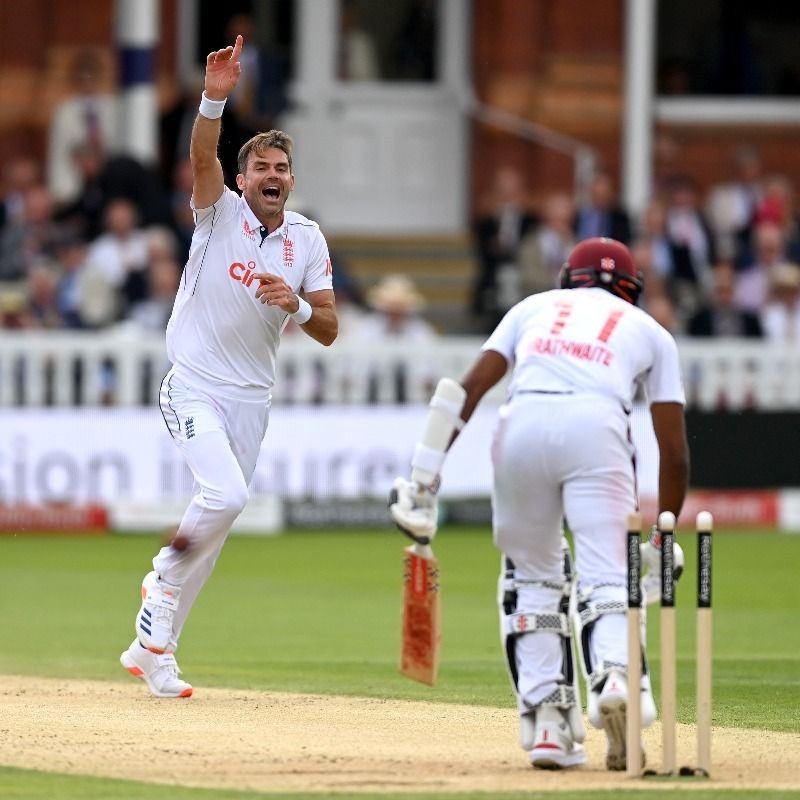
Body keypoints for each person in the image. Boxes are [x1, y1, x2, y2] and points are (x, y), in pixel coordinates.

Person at [390, 237, 689, 771]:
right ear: (630, 288)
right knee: (608, 570)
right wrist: (664, 535)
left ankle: (548, 723)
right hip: (597, 425)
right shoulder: (651, 332)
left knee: (532, 578)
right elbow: (674, 450)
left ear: (567, 280)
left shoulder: (532, 308)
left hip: (521, 421)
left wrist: (423, 478)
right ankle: (616, 675)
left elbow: (468, 388)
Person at [119, 34, 338, 698]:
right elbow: (200, 154)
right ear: (244, 180)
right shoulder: (218, 213)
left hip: (253, 399)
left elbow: (327, 329)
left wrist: (296, 304)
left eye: (282, 168)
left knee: (213, 538)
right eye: (262, 168)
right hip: (192, 383)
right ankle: (160, 578)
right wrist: (214, 97)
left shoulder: (307, 239)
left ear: (291, 180)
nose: (273, 176)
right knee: (227, 497)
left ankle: (153, 654)